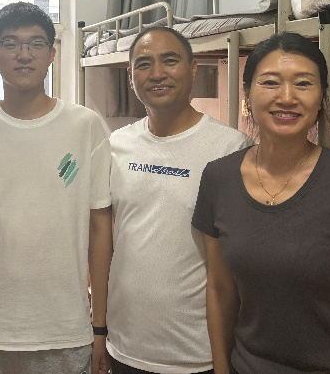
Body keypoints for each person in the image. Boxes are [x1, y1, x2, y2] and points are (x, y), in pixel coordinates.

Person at [192, 32, 330, 374]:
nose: (286, 97)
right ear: (248, 94)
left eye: (303, 84)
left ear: (321, 97)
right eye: (270, 82)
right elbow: (221, 292)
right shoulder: (218, 178)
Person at [0, 2, 112, 374]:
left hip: (64, 331)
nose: (24, 54)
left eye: (35, 43)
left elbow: (100, 229)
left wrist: (100, 328)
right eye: (11, 43)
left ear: (51, 54)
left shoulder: (84, 126)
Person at [106, 26, 250, 374]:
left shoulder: (230, 148)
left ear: (193, 69)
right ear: (130, 77)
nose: (157, 73)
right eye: (144, 64)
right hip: (124, 346)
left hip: (197, 353)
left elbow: (234, 263)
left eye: (170, 61)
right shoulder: (116, 145)